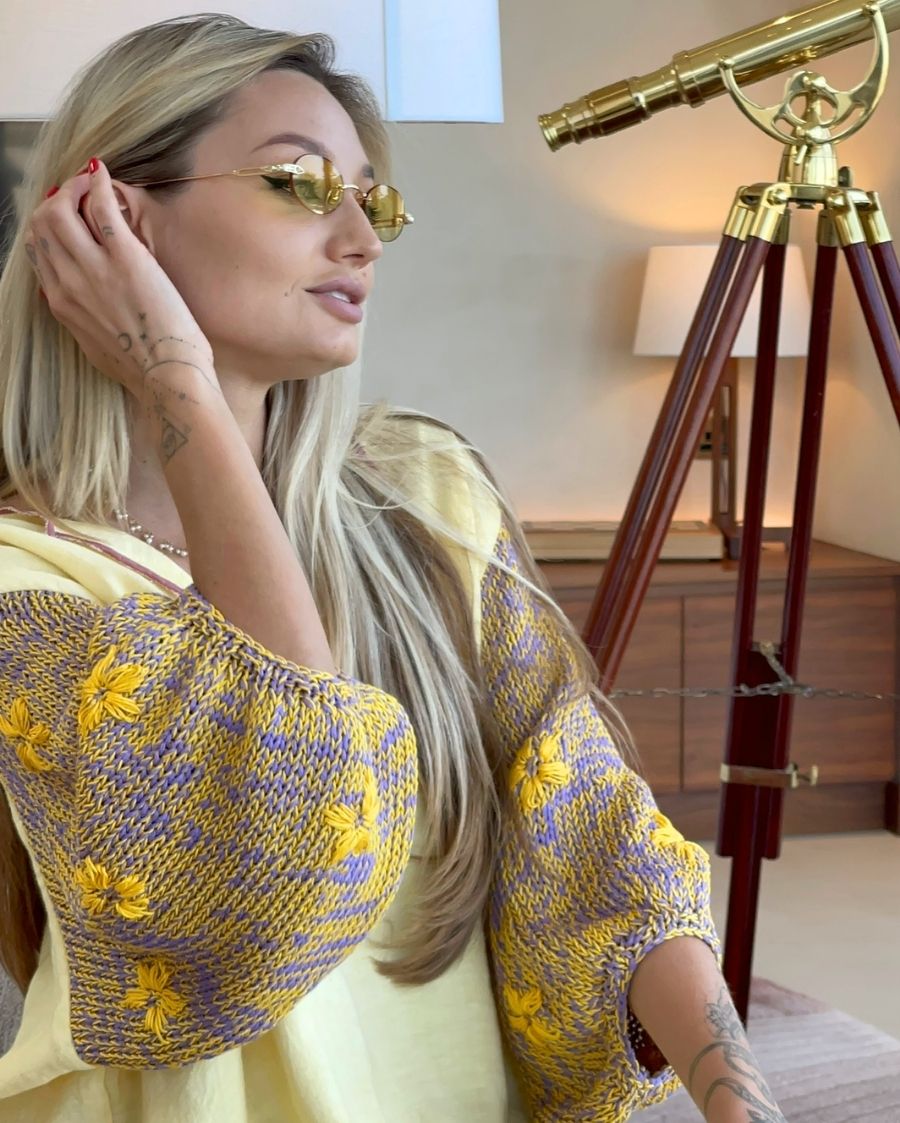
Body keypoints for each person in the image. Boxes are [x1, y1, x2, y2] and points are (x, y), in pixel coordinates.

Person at [0, 13, 787, 1123]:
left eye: (374, 201)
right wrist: (173, 376)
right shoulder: (28, 588)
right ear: (112, 219)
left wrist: (743, 1101)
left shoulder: (427, 494)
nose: (363, 239)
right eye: (301, 183)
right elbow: (285, 838)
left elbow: (587, 824)